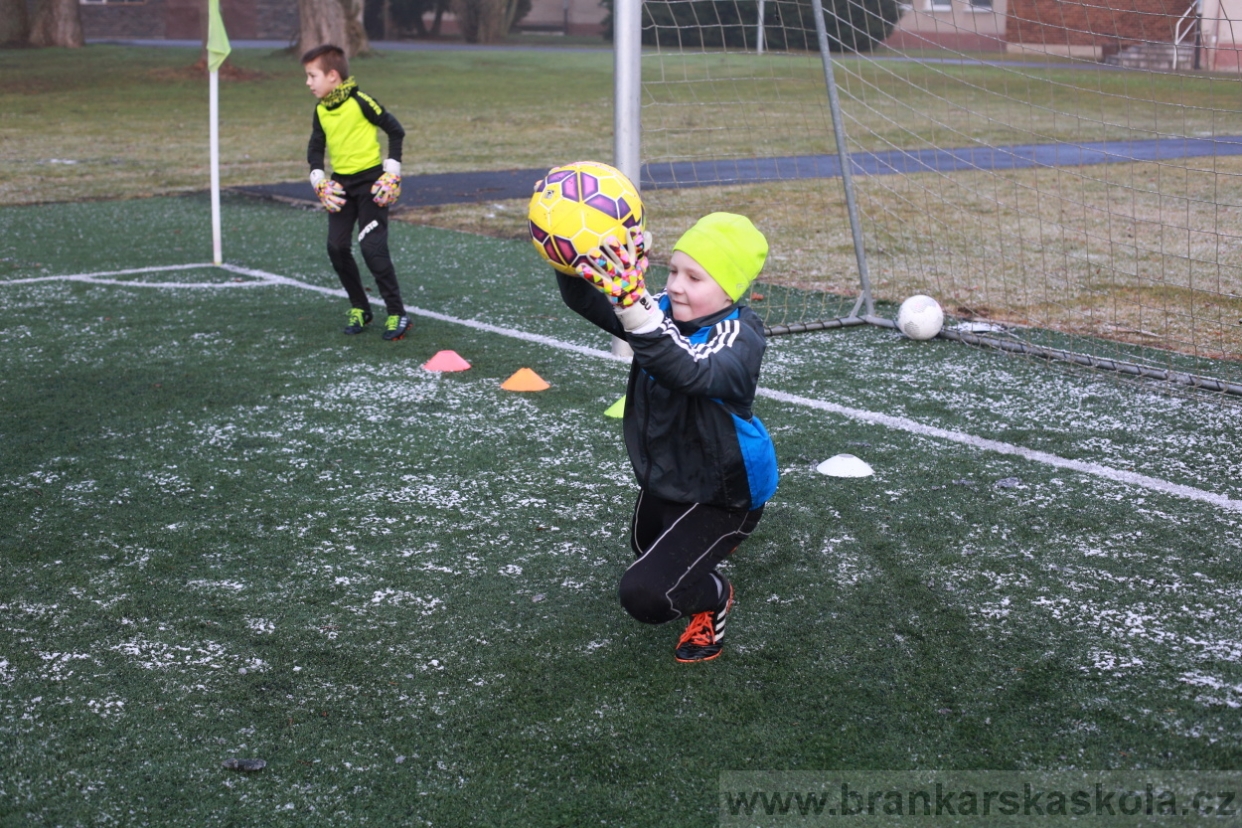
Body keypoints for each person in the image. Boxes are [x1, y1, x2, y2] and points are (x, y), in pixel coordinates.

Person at [558, 213, 779, 663]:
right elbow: (586, 301)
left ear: (729, 289)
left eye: (695, 277)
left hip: (725, 491)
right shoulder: (659, 310)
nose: (676, 285)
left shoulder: (740, 336)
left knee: (647, 594)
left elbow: (689, 369)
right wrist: (567, 252)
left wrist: (635, 309)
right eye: (673, 270)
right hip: (670, 474)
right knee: (645, 547)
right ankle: (699, 556)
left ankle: (715, 594)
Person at [302, 44, 411, 341]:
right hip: (341, 187)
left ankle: (397, 312)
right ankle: (360, 308)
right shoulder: (321, 109)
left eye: (313, 76)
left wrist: (392, 173)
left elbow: (395, 130)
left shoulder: (361, 101)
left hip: (371, 186)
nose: (308, 83)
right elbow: (315, 146)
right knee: (336, 247)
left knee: (371, 248)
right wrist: (318, 180)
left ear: (333, 76)